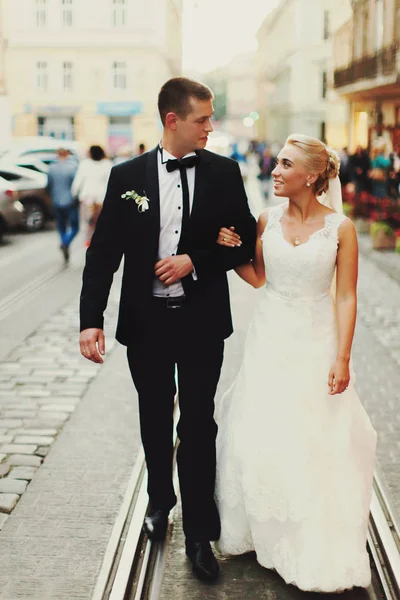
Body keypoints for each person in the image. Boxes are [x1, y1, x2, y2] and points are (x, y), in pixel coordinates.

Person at [79, 77, 256, 583]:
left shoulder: (225, 172)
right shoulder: (126, 176)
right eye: (202, 119)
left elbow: (244, 242)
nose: (210, 127)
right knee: (155, 417)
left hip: (201, 322)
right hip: (146, 323)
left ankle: (200, 533)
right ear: (173, 121)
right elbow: (103, 254)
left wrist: (194, 261)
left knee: (198, 423)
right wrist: (91, 319)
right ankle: (160, 497)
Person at [215, 134, 376, 593]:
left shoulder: (339, 229)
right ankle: (267, 531)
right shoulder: (266, 219)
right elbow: (259, 277)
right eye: (277, 163)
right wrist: (231, 254)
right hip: (269, 337)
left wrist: (342, 357)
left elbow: (345, 295)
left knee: (314, 435)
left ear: (310, 176)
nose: (276, 171)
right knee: (263, 429)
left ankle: (310, 533)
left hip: (315, 339)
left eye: (286, 165)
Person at [71, 145, 113, 247]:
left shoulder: (85, 164)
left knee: (88, 224)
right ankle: (100, 242)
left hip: (87, 198)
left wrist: (74, 193)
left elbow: (78, 181)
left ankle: (89, 243)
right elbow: (111, 182)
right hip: (102, 198)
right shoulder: (108, 164)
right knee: (101, 224)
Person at [46, 147, 79, 262]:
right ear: (67, 154)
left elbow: (48, 185)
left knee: (61, 226)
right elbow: (76, 185)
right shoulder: (72, 167)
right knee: (75, 227)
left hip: (56, 200)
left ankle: (64, 242)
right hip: (70, 200)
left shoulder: (51, 168)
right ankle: (66, 242)